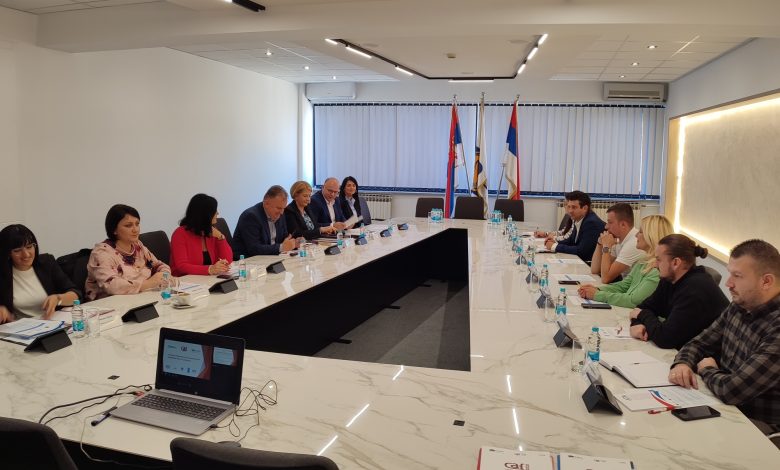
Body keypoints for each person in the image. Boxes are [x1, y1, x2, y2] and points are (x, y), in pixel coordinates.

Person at [669, 239, 780, 436]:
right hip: (722, 402)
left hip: (760, 426)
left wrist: (707, 369)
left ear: (766, 281)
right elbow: (699, 343)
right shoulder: (739, 305)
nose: (728, 283)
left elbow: (733, 391)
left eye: (737, 276)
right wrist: (682, 363)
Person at [628, 234, 729, 349]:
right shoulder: (669, 279)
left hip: (706, 355)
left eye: (659, 260)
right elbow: (642, 307)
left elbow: (665, 338)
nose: (655, 264)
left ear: (676, 263)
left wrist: (642, 315)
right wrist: (637, 324)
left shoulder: (695, 289)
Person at [578, 215, 673, 308]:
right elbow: (624, 285)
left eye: (640, 232)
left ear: (651, 236)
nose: (636, 235)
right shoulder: (643, 261)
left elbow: (633, 301)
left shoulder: (658, 270)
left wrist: (597, 294)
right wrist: (597, 289)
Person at [85, 204, 171, 300]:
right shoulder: (101, 253)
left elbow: (159, 265)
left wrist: (164, 276)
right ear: (114, 230)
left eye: (137, 224)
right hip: (110, 305)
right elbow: (112, 286)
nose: (135, 229)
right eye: (128, 225)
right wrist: (149, 283)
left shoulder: (138, 246)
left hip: (141, 298)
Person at [0, 225, 81, 323]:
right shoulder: (2, 273)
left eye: (29, 247)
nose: (26, 254)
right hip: (20, 328)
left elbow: (76, 294)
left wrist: (58, 299)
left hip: (53, 323)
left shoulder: (47, 263)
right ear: (7, 253)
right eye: (17, 250)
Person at [170, 193, 233, 276]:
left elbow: (228, 260)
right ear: (204, 214)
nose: (217, 213)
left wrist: (221, 237)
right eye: (214, 211)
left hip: (206, 279)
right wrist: (209, 269)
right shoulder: (179, 234)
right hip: (184, 280)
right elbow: (182, 266)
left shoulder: (212, 231)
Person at [232, 185, 297, 256]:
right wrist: (281, 247)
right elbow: (254, 249)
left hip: (272, 257)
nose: (281, 212)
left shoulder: (280, 214)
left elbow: (284, 239)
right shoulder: (251, 216)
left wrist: (293, 243)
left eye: (283, 208)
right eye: (278, 208)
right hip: (247, 260)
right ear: (266, 203)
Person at [590, 202, 644, 283]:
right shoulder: (619, 240)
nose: (606, 226)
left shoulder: (634, 243)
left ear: (623, 225)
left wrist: (606, 247)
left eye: (610, 222)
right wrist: (599, 243)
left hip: (632, 289)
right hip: (625, 287)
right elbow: (595, 270)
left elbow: (605, 278)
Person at [543, 191, 603, 262]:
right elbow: (571, 240)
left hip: (588, 264)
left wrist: (554, 246)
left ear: (585, 208)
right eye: (569, 207)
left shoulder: (591, 223)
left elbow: (582, 251)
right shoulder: (578, 218)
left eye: (574, 207)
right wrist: (555, 242)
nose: (570, 211)